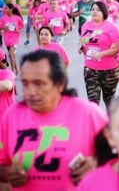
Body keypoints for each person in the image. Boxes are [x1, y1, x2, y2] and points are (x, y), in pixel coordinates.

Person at [0, 50, 108, 190]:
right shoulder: (12, 115)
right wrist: (5, 174)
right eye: (25, 83)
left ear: (60, 83)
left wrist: (97, 164)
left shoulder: (88, 113)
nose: (31, 92)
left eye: (39, 84)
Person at [79, 1, 119, 107]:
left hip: (109, 70)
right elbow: (83, 41)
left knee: (109, 100)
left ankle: (111, 122)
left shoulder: (112, 28)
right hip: (90, 68)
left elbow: (117, 49)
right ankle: (96, 123)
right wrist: (81, 48)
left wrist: (101, 54)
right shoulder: (85, 26)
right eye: (93, 9)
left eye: (98, 10)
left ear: (104, 12)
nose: (94, 12)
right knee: (93, 101)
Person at [0, 3, 24, 74]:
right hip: (7, 40)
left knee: (10, 54)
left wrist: (19, 30)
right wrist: (4, 28)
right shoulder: (3, 18)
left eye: (6, 8)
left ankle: (12, 72)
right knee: (11, 55)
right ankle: (17, 70)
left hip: (15, 39)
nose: (5, 9)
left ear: (11, 9)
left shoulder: (17, 18)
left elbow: (22, 26)